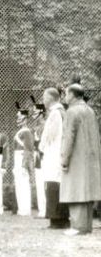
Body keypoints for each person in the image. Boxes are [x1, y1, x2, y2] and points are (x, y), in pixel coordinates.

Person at [59, 83, 101, 236]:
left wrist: (64, 159)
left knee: (75, 191)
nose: (65, 96)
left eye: (66, 93)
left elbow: (68, 138)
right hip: (90, 159)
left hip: (76, 159)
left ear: (72, 95)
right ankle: (86, 226)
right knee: (87, 193)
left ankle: (77, 227)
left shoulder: (71, 112)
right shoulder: (90, 110)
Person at [39, 87, 69, 229]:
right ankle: (60, 218)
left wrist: (42, 147)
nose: (43, 100)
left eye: (44, 97)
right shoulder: (61, 112)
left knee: (53, 185)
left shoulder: (56, 113)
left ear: (50, 98)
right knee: (57, 184)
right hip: (57, 153)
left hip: (54, 153)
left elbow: (50, 135)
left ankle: (56, 219)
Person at [13, 104, 35, 216]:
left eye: (20, 118)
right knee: (19, 183)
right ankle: (21, 208)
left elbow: (28, 149)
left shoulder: (26, 131)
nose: (18, 120)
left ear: (25, 119)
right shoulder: (21, 131)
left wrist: (24, 164)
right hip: (17, 157)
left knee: (24, 183)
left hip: (22, 158)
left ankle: (25, 208)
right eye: (17, 118)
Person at [30, 96, 48, 218]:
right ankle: (42, 210)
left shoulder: (45, 125)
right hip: (37, 155)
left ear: (41, 113)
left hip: (44, 156)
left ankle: (47, 209)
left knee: (44, 182)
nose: (33, 114)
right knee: (39, 182)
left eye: (35, 112)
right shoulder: (36, 127)